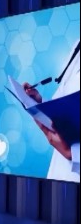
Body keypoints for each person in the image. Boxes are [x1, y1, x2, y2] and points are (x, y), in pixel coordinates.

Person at [23, 39, 79, 181]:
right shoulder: (78, 45)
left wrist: (73, 154)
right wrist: (39, 103)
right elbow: (64, 99)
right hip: (59, 173)